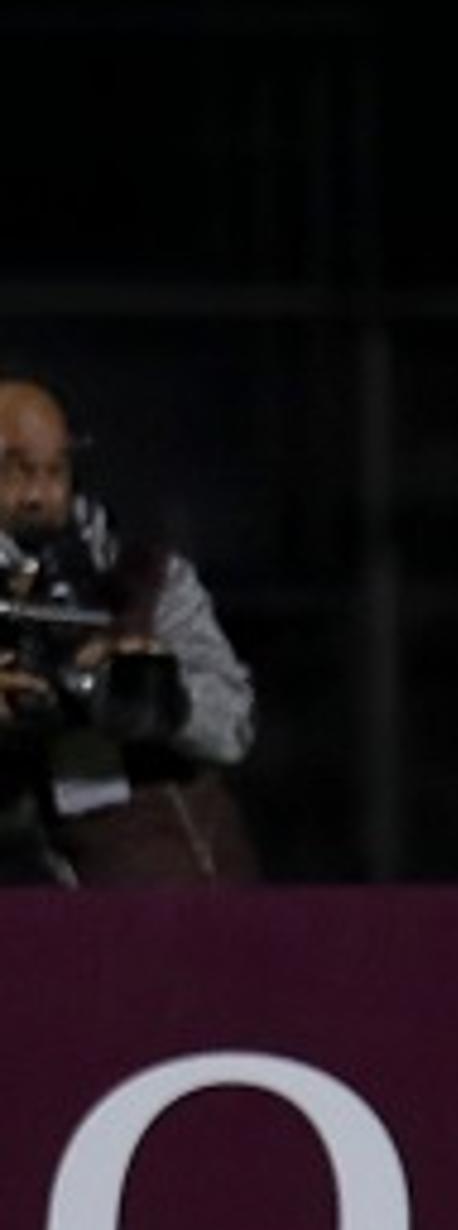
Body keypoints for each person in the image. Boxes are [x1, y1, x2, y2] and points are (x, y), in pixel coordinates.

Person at [0, 377, 263, 885]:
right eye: (12, 472)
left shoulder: (144, 578)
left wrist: (156, 696)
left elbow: (235, 724)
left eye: (54, 470)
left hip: (172, 881)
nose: (37, 494)